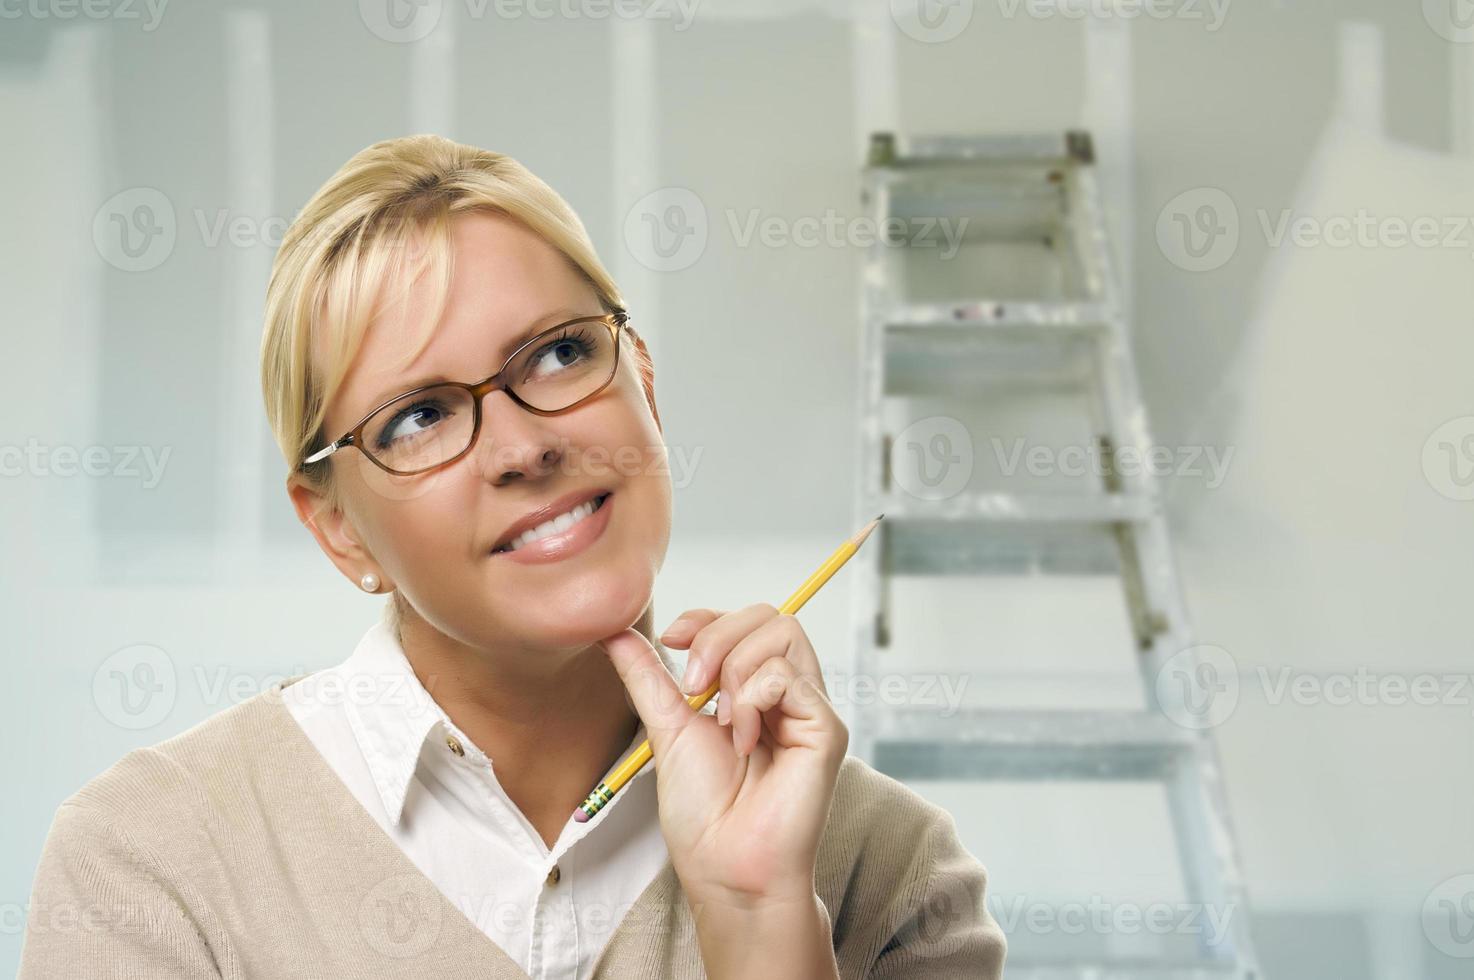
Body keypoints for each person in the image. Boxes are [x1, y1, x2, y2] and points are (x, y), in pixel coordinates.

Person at [18, 134, 1007, 979]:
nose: (524, 445)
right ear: (338, 529)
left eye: (558, 355)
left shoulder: (892, 872)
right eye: (418, 415)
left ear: (644, 389)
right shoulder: (152, 864)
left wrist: (758, 924)